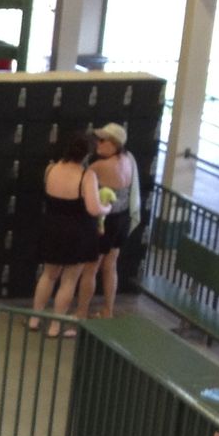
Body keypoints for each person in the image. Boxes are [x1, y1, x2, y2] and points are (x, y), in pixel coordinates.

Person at [29, 133, 106, 337]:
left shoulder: (51, 169)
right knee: (69, 280)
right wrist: (106, 208)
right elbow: (93, 208)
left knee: (48, 275)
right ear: (87, 154)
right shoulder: (86, 176)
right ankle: (55, 326)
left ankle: (34, 318)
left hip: (52, 227)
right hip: (77, 232)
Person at [88, 122, 142, 320]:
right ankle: (107, 310)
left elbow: (82, 181)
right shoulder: (129, 160)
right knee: (110, 266)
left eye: (102, 140)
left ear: (114, 144)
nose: (98, 144)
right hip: (123, 220)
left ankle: (81, 312)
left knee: (91, 269)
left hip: (105, 223)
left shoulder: (99, 166)